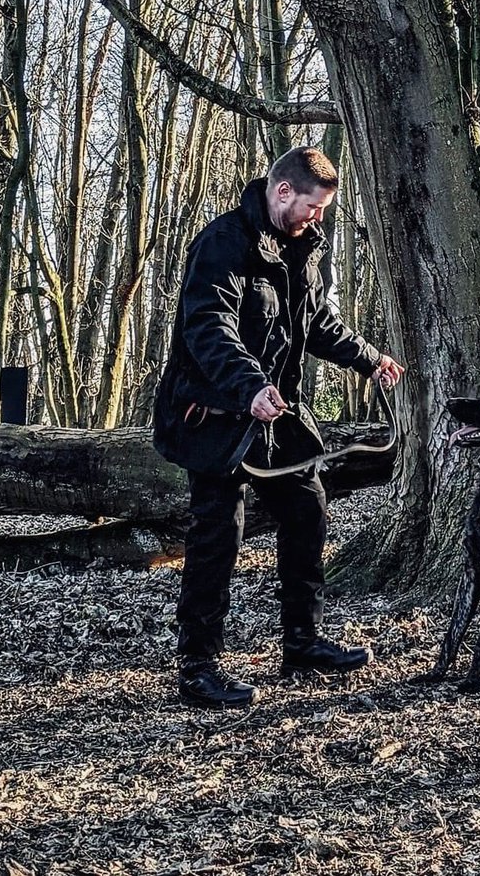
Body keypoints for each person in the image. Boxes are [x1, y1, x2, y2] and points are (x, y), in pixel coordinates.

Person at [153, 146, 404, 708]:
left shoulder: (305, 247)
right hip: (214, 416)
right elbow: (209, 327)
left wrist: (368, 359)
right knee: (218, 535)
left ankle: (302, 642)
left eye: (323, 210)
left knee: (307, 510)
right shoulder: (222, 244)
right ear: (283, 191)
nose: (317, 217)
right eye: (313, 206)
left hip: (279, 414)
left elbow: (315, 322)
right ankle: (198, 667)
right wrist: (249, 387)